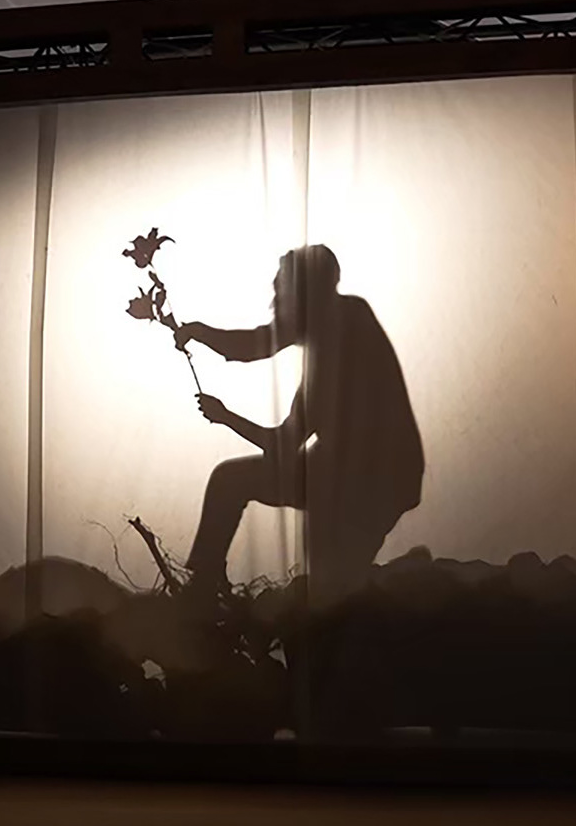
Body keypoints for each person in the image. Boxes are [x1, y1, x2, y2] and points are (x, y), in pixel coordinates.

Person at [174, 245, 424, 609]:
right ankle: (204, 585)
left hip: (369, 480)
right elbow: (281, 440)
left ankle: (203, 591)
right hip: (349, 477)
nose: (274, 304)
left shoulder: (345, 325)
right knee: (331, 583)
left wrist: (200, 336)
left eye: (281, 293)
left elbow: (257, 347)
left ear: (307, 295)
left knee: (331, 588)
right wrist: (224, 411)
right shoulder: (333, 340)